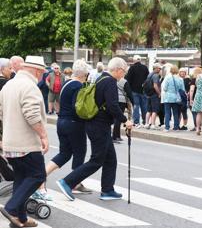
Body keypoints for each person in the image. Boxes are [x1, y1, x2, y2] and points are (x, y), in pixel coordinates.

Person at [56, 57, 133, 201]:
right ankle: (68, 182)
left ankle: (107, 190)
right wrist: (125, 120)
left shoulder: (100, 78)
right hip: (100, 126)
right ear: (118, 70)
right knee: (97, 160)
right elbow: (112, 106)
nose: (124, 75)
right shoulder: (110, 82)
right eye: (124, 71)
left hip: (94, 124)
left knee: (110, 159)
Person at [0, 55, 49, 228]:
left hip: (10, 143)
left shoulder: (9, 85)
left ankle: (20, 218)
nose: (43, 75)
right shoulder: (29, 86)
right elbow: (32, 115)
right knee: (38, 176)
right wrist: (43, 135)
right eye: (43, 72)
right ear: (37, 70)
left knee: (21, 179)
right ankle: (12, 208)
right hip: (26, 143)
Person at [34, 59, 91, 200]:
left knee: (65, 153)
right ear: (84, 73)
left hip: (62, 121)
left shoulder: (67, 83)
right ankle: (75, 182)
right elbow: (77, 107)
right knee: (79, 152)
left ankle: (41, 176)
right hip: (74, 123)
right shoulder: (78, 86)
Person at [126, 55, 149, 128]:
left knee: (136, 106)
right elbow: (147, 79)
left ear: (134, 60)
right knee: (144, 106)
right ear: (140, 60)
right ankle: (145, 121)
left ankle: (136, 122)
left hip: (134, 90)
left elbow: (128, 80)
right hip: (143, 90)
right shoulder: (145, 68)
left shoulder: (132, 68)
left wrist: (128, 90)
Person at [162, 65, 185, 132]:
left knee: (167, 112)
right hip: (176, 98)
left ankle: (167, 127)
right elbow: (182, 90)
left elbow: (165, 88)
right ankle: (176, 127)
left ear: (171, 70)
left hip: (168, 97)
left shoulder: (167, 78)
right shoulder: (180, 79)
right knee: (176, 112)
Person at [112, 77, 133, 143]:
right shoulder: (124, 81)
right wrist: (133, 102)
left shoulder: (113, 80)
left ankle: (117, 136)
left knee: (117, 118)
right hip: (121, 100)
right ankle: (115, 137)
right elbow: (129, 92)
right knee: (118, 119)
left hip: (114, 99)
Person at [144, 63, 162, 129]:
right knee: (154, 110)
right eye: (159, 68)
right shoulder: (156, 75)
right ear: (156, 68)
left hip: (148, 94)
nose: (160, 69)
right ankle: (153, 124)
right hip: (154, 94)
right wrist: (159, 93)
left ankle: (146, 123)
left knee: (149, 110)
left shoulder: (149, 74)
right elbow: (155, 85)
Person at [189, 67, 202, 131]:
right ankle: (200, 125)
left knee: (194, 113)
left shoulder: (194, 80)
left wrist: (190, 99)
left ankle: (196, 127)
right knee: (200, 113)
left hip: (195, 97)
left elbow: (192, 90)